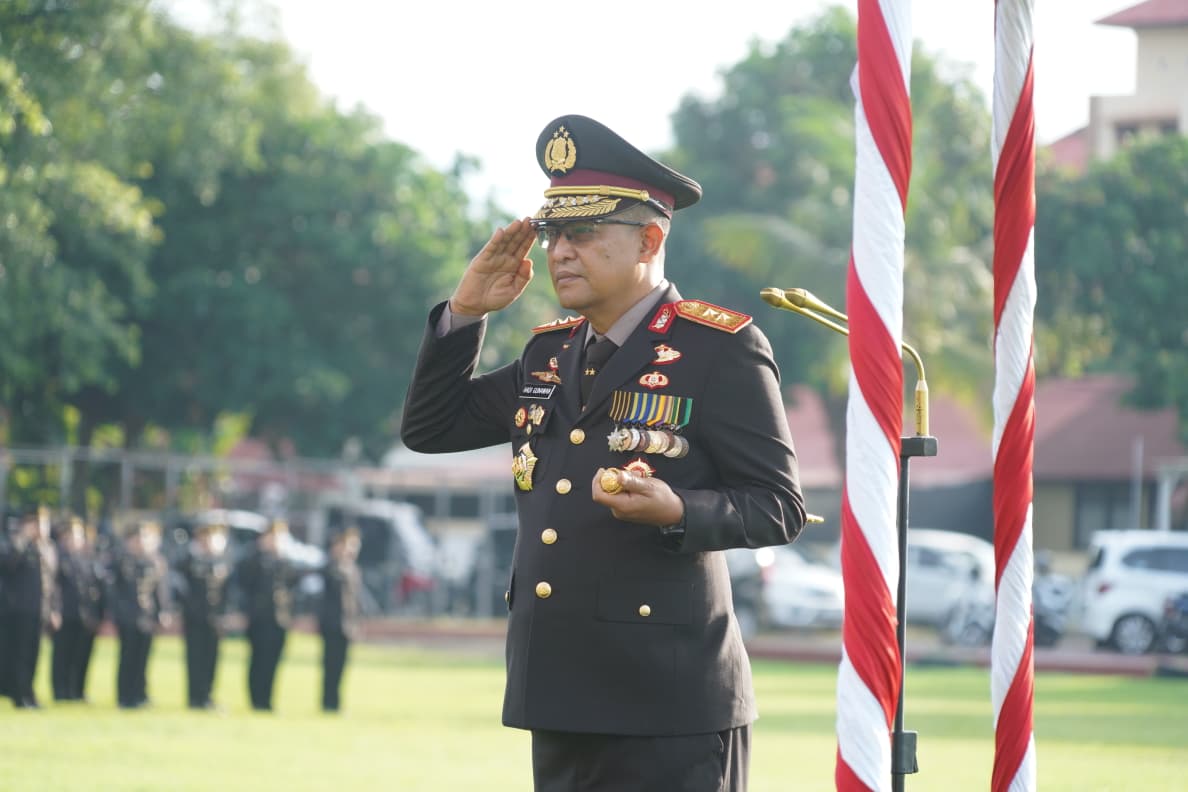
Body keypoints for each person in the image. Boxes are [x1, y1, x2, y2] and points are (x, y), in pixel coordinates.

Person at [401, 114, 806, 791]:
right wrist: (467, 312)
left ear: (650, 238)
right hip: (560, 689)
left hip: (669, 703)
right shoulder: (549, 350)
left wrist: (678, 509)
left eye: (583, 234)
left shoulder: (719, 348)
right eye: (554, 233)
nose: (560, 252)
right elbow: (432, 428)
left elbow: (778, 507)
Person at [0, 506, 60, 709]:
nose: (41, 529)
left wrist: (54, 609)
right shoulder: (14, 543)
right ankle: (19, 695)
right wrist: (22, 539)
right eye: (37, 524)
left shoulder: (48, 548)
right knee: (19, 654)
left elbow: (52, 583)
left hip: (39, 610)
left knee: (34, 654)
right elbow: (7, 564)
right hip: (19, 610)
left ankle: (29, 693)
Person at [237, 519, 298, 711]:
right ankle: (256, 700)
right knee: (258, 660)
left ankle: (268, 700)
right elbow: (244, 583)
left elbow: (293, 587)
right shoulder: (254, 560)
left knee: (273, 661)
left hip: (279, 620)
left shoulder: (285, 562)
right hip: (258, 619)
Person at [109, 520, 171, 709]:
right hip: (127, 617)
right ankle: (125, 697)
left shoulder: (155, 561)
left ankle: (140, 694)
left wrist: (163, 611)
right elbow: (113, 590)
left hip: (147, 616)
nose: (140, 542)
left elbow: (160, 590)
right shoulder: (120, 561)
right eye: (136, 538)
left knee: (143, 658)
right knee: (127, 658)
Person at [177, 521, 230, 710]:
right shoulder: (189, 561)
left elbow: (228, 593)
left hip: (215, 620)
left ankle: (207, 696)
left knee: (212, 659)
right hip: (195, 619)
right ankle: (194, 697)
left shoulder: (223, 563)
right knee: (195, 658)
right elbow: (180, 589)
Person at [51, 516, 105, 702]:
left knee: (81, 656)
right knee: (62, 655)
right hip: (66, 614)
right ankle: (61, 691)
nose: (76, 540)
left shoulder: (88, 560)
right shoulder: (58, 558)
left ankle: (77, 691)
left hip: (85, 616)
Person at [317, 527, 362, 712]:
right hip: (331, 625)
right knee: (330, 666)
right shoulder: (330, 567)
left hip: (347, 625)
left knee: (341, 667)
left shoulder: (353, 569)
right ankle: (328, 703)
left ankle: (336, 702)